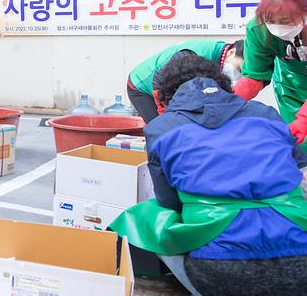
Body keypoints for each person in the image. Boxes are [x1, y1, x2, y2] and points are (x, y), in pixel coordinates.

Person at [110, 53, 307, 296]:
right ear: (223, 84)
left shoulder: (161, 129)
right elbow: (296, 167)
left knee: (143, 216)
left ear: (163, 96)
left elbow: (169, 202)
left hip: (219, 271)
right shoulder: (265, 114)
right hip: (301, 264)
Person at [234, 0, 307, 149]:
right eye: (271, 20)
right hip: (291, 85)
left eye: (286, 21)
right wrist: (229, 102)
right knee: (300, 144)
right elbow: (254, 76)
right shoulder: (258, 29)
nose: (277, 26)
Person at [127, 39, 244, 123]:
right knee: (161, 129)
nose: (238, 73)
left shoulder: (223, 58)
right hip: (142, 86)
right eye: (239, 68)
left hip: (169, 87)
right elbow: (160, 82)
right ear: (231, 52)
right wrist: (165, 114)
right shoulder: (193, 54)